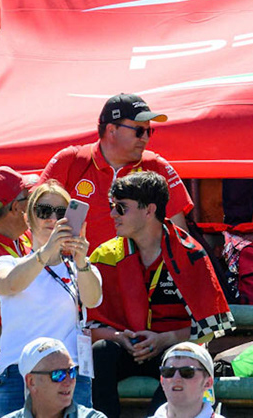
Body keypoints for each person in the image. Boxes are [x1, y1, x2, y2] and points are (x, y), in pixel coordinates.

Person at [88, 172, 232, 418]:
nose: (113, 214)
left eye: (121, 208)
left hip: (171, 348)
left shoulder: (190, 254)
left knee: (183, 361)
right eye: (113, 207)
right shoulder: (105, 255)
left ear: (149, 210)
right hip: (127, 347)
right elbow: (86, 324)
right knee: (100, 352)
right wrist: (118, 337)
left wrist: (164, 339)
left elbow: (213, 326)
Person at [0, 175, 101, 415]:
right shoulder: (8, 261)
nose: (53, 219)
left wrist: (80, 259)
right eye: (44, 211)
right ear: (28, 218)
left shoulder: (81, 267)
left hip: (69, 374)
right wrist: (47, 251)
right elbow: (9, 284)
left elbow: (93, 299)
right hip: (18, 373)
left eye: (61, 211)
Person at [38, 92, 194, 251]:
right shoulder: (71, 161)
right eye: (139, 131)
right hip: (76, 271)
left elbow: (179, 236)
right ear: (111, 130)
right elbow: (34, 221)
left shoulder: (156, 166)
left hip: (138, 274)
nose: (146, 138)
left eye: (149, 131)